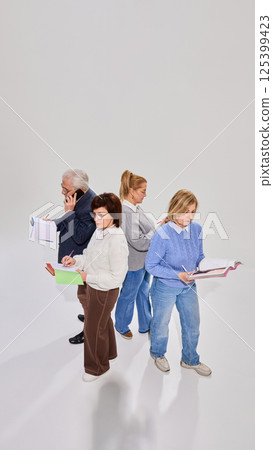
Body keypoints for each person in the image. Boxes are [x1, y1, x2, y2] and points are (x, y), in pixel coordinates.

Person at [62, 193, 129, 381]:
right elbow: (88, 256)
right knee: (103, 321)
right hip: (94, 285)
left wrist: (87, 276)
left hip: (105, 290)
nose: (96, 219)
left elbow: (117, 278)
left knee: (92, 327)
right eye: (95, 214)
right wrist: (75, 260)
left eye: (101, 214)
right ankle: (110, 354)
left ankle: (97, 368)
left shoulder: (116, 239)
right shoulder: (99, 232)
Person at [145, 189, 212, 376]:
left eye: (192, 211)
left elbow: (199, 256)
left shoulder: (197, 229)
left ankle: (190, 360)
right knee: (161, 324)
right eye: (185, 211)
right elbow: (151, 266)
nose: (189, 216)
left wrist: (209, 266)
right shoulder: (163, 234)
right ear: (175, 209)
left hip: (189, 286)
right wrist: (178, 275)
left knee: (192, 324)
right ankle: (158, 354)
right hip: (164, 288)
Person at [54, 169, 96, 344]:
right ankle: (88, 315)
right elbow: (72, 220)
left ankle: (90, 329)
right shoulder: (78, 197)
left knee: (86, 296)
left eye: (66, 189)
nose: (63, 192)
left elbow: (80, 236)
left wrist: (69, 212)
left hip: (85, 260)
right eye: (62, 187)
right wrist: (54, 223)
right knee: (83, 294)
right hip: (76, 256)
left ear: (80, 189)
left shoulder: (92, 205)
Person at [115, 170, 155, 339]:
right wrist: (157, 238)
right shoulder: (126, 212)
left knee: (143, 292)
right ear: (131, 191)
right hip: (133, 264)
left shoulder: (135, 208)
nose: (145, 194)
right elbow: (137, 241)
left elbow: (148, 229)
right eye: (142, 191)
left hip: (144, 261)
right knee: (129, 295)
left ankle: (146, 324)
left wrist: (158, 227)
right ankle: (121, 325)